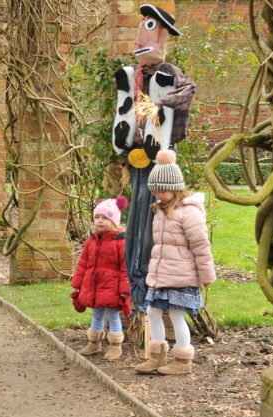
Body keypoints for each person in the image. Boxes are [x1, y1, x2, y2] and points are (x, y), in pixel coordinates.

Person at [111, 4, 196, 314]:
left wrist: (160, 104)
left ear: (163, 39)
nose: (138, 42)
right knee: (134, 219)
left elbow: (188, 90)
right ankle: (136, 288)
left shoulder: (168, 73)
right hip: (134, 159)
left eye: (148, 32)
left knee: (152, 220)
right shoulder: (133, 76)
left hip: (157, 160)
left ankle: (148, 287)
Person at [134, 150, 215, 375]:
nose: (158, 195)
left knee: (177, 314)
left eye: (162, 190)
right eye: (155, 191)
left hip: (180, 275)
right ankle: (157, 356)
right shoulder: (160, 210)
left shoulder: (189, 213)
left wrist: (206, 275)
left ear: (175, 187)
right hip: (162, 275)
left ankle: (182, 359)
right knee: (153, 311)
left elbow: (201, 246)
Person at [70, 197, 132, 360]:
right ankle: (94, 342)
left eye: (105, 218)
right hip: (94, 285)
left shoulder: (120, 242)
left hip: (112, 287)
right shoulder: (91, 240)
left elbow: (125, 268)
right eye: (97, 217)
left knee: (113, 315)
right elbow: (83, 263)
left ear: (115, 221)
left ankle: (115, 345)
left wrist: (125, 290)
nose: (100, 221)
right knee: (96, 314)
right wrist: (77, 284)